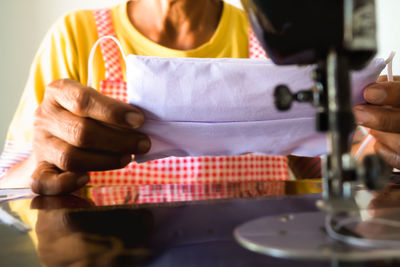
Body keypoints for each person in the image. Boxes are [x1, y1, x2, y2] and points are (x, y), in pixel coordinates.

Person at [0, 0, 398, 195]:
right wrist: (43, 159)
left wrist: (383, 153)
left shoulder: (274, 40)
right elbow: (7, 183)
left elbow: (323, 171)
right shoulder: (78, 37)